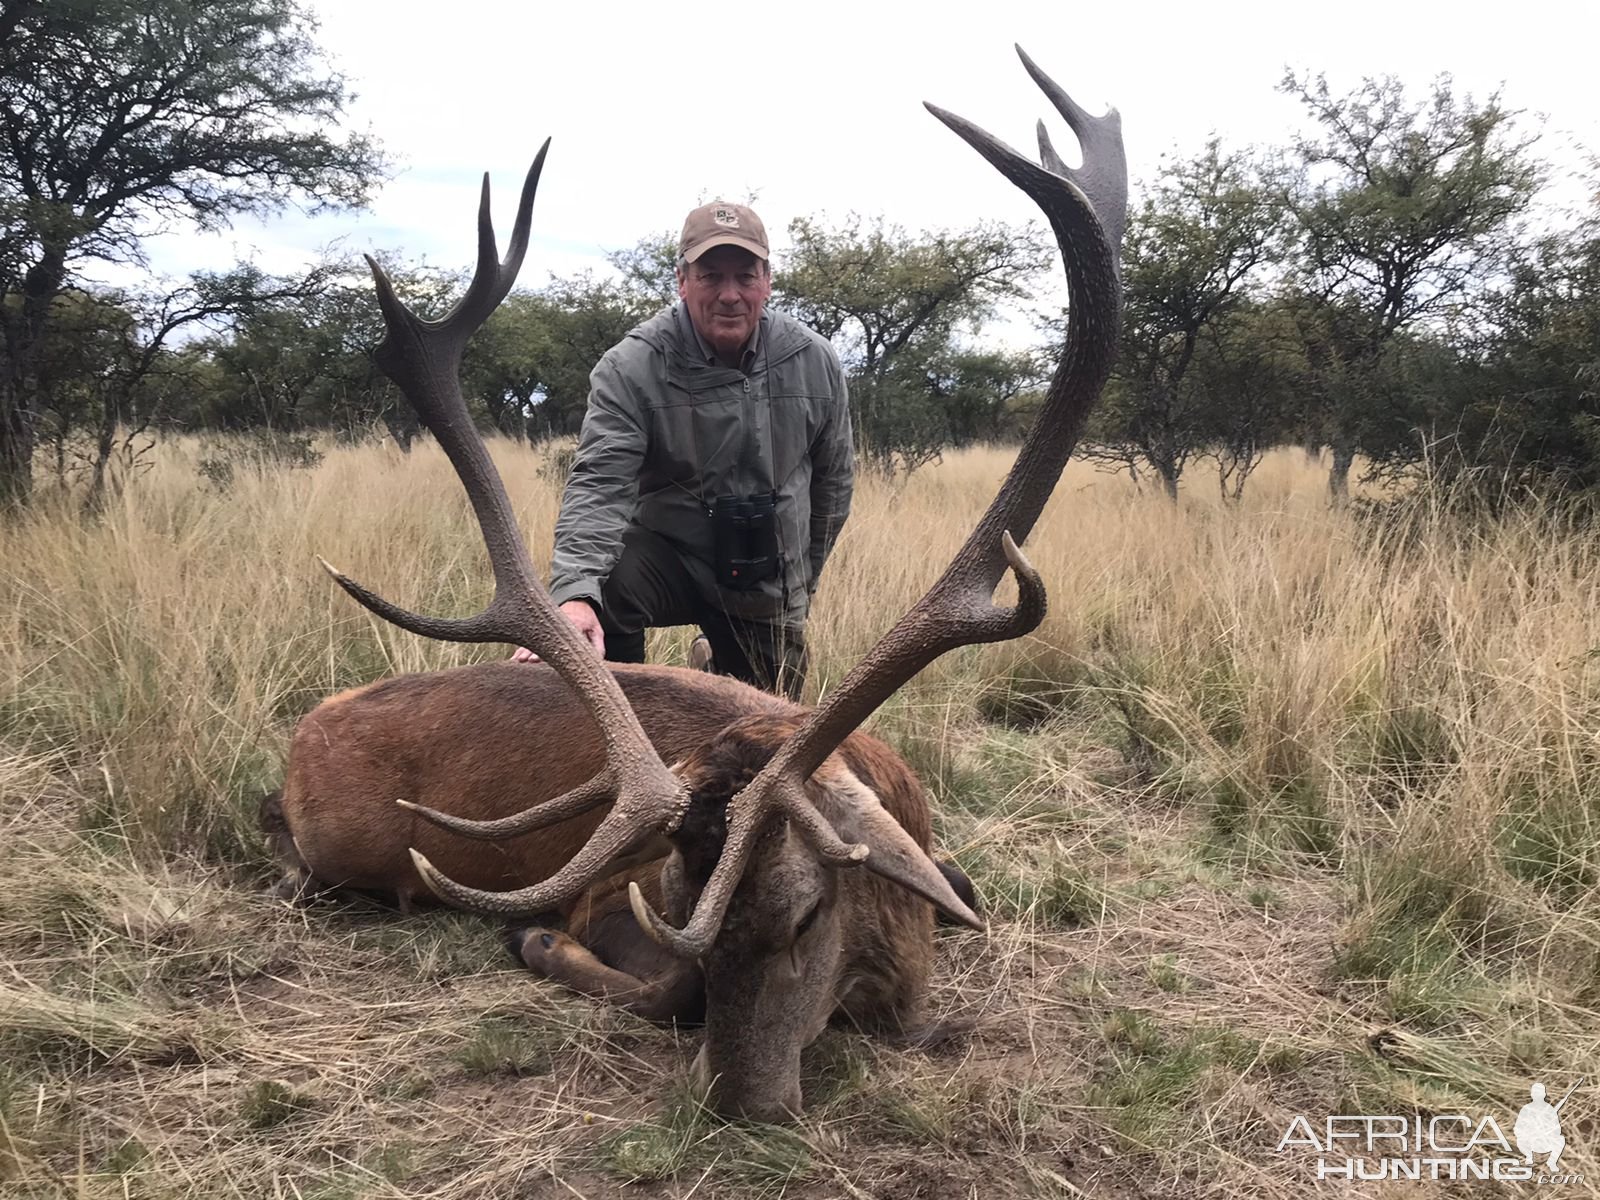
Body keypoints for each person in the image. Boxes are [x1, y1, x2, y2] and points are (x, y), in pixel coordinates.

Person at [517, 201, 852, 700]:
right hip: (669, 558)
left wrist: (801, 584)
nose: (730, 295)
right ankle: (625, 710)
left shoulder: (813, 359)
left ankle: (713, 661)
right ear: (681, 280)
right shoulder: (631, 365)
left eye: (745, 276)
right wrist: (573, 595)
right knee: (600, 596)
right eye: (710, 276)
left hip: (763, 570)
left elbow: (834, 483)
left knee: (768, 730)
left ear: (768, 279)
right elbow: (600, 483)